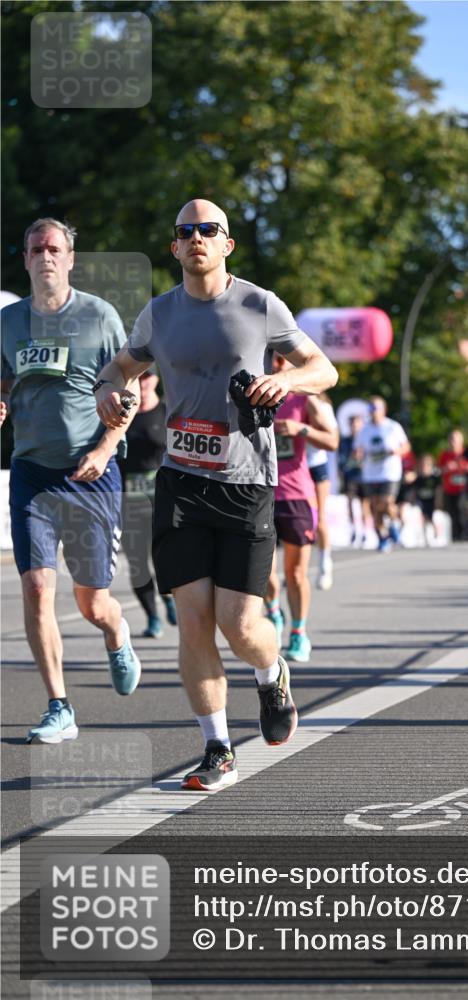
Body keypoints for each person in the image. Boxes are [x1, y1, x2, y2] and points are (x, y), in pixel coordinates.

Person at [95, 199, 337, 791]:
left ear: (227, 244)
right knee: (193, 620)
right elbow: (122, 367)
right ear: (174, 246)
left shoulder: (259, 304)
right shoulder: (159, 313)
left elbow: (324, 369)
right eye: (186, 231)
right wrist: (108, 390)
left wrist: (286, 378)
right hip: (181, 483)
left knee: (240, 623)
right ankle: (217, 748)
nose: (197, 238)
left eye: (209, 229)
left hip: (247, 482)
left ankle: (271, 669)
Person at [0, 218, 142, 744]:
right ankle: (59, 705)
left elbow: (132, 391)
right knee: (37, 587)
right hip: (32, 471)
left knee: (92, 602)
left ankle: (116, 633)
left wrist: (106, 449)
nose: (46, 256)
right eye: (36, 248)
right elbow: (3, 376)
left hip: (90, 473)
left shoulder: (99, 316)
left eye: (54, 248)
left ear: (70, 258)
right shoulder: (8, 321)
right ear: (25, 259)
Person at [265, 356, 339, 661]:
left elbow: (332, 440)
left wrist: (300, 429)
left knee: (295, 574)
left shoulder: (303, 398)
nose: (281, 362)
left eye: (285, 357)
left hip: (295, 495)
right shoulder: (250, 393)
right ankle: (272, 612)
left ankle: (298, 633)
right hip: (259, 493)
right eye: (275, 355)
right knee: (261, 575)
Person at [118, 367, 177, 637]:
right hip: (129, 500)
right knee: (138, 563)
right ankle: (152, 617)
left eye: (147, 376)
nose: (142, 382)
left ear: (156, 378)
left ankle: (168, 598)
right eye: (137, 377)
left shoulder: (167, 412)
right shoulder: (121, 414)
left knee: (164, 558)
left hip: (162, 500)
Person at [353, 396, 410, 552]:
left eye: (375, 408)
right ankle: (382, 537)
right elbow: (357, 450)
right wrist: (358, 454)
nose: (372, 412)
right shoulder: (364, 430)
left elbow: (406, 446)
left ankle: (394, 525)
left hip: (389, 472)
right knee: (374, 507)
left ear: (383, 410)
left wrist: (397, 451)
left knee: (386, 502)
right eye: (370, 409)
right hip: (370, 473)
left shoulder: (392, 427)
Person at [305, 392, 340, 590]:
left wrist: (304, 428)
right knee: (299, 520)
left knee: (319, 518)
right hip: (293, 466)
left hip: (315, 465)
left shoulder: (323, 406)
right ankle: (298, 570)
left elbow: (332, 437)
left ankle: (325, 564)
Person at [438, 429, 468, 542]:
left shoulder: (466, 453)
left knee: (461, 508)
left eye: (455, 439)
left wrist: (465, 467)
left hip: (462, 488)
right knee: (452, 511)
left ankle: (465, 534)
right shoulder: (445, 455)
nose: (453, 442)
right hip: (449, 488)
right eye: (451, 439)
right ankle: (455, 535)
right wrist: (447, 468)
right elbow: (438, 470)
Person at [338, 412, 366, 545]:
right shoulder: (345, 441)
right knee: (350, 503)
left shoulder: (366, 438)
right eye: (352, 423)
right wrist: (352, 459)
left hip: (365, 476)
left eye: (357, 422)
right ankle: (353, 530)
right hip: (350, 476)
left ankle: (365, 531)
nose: (355, 426)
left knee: (365, 504)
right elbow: (342, 460)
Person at [413, 453, 442, 545]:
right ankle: (425, 536)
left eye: (426, 465)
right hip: (421, 501)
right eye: (422, 465)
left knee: (433, 517)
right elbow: (414, 491)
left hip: (432, 501)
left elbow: (438, 490)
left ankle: (437, 535)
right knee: (423, 517)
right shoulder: (417, 478)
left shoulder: (434, 478)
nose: (424, 468)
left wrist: (438, 500)